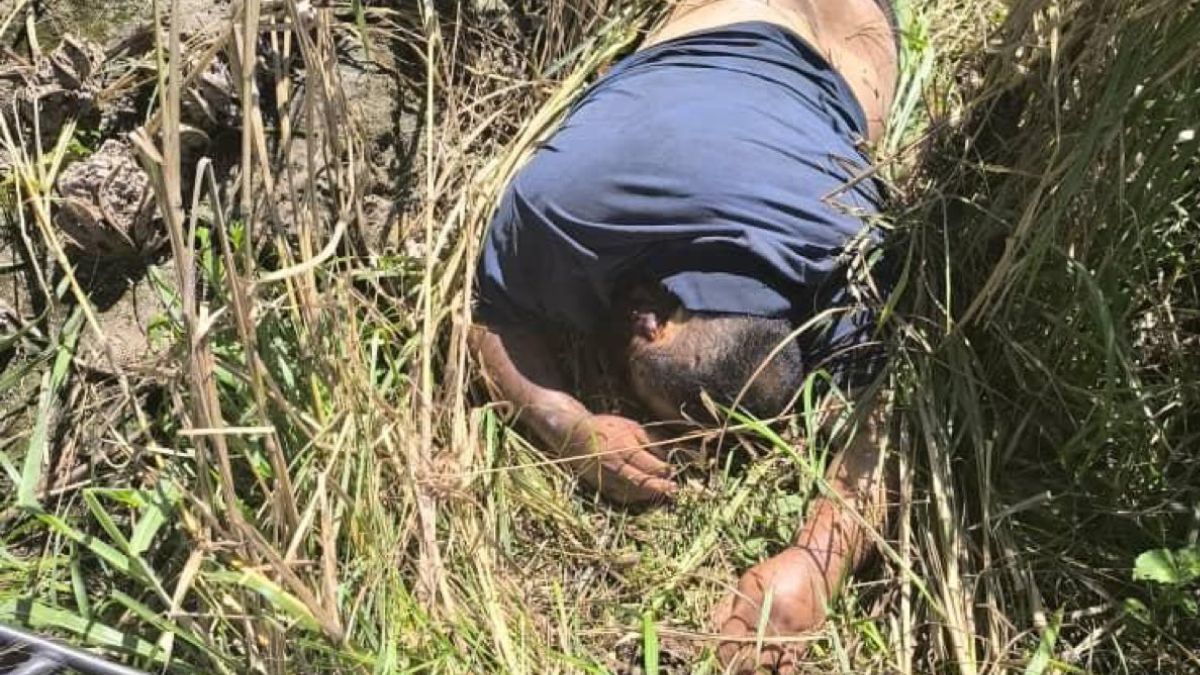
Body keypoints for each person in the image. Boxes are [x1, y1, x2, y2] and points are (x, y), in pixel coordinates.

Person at [470, 0, 899, 671]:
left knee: (859, 89)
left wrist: (819, 567)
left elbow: (887, 421)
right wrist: (566, 426)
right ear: (649, 322)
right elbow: (491, 314)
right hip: (741, 24)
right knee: (859, 87)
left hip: (811, 41)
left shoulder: (853, 234)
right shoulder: (563, 202)